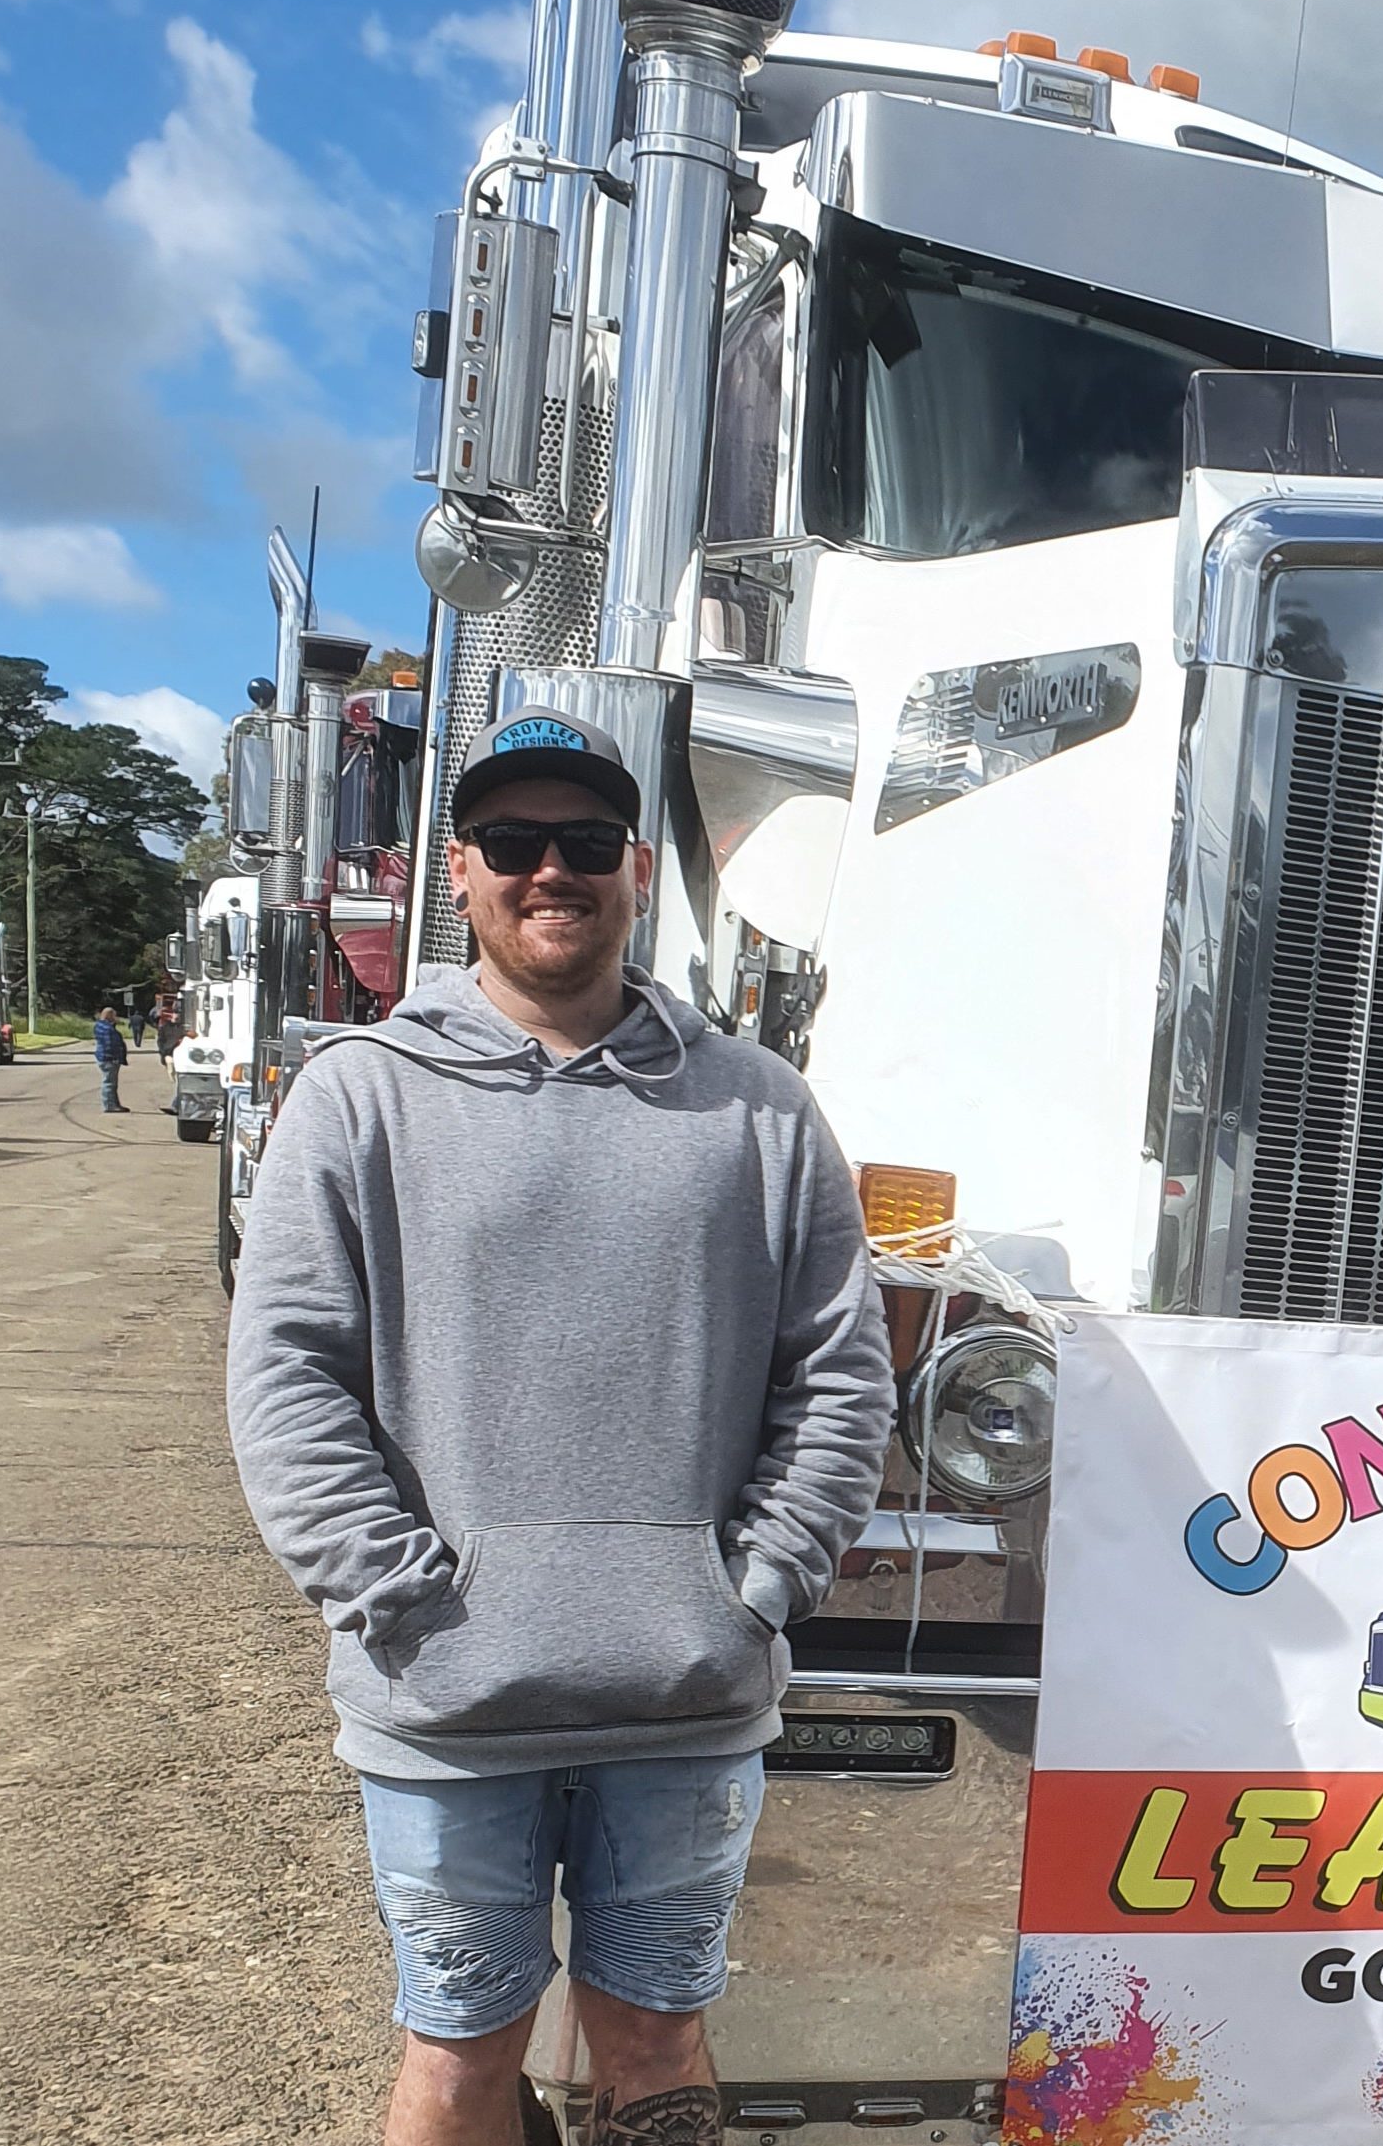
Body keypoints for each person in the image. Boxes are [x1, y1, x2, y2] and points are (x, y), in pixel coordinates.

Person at [227, 708, 895, 2146]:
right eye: (516, 843)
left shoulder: (761, 1111)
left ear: (637, 869)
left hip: (687, 1696)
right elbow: (288, 1377)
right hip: (447, 1706)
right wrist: (403, 1601)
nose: (553, 871)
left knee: (657, 2048)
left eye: (586, 842)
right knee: (459, 2061)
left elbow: (840, 1377)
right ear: (457, 869)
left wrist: (755, 1589)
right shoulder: (359, 1098)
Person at [92, 1005, 128, 1111]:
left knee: (111, 1083)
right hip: (109, 1059)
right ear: (110, 1016)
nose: (116, 1018)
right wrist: (115, 1057)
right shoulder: (107, 1029)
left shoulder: (100, 1026)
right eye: (114, 1015)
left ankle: (114, 1104)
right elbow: (110, 1044)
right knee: (109, 1083)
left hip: (104, 1057)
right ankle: (109, 1105)